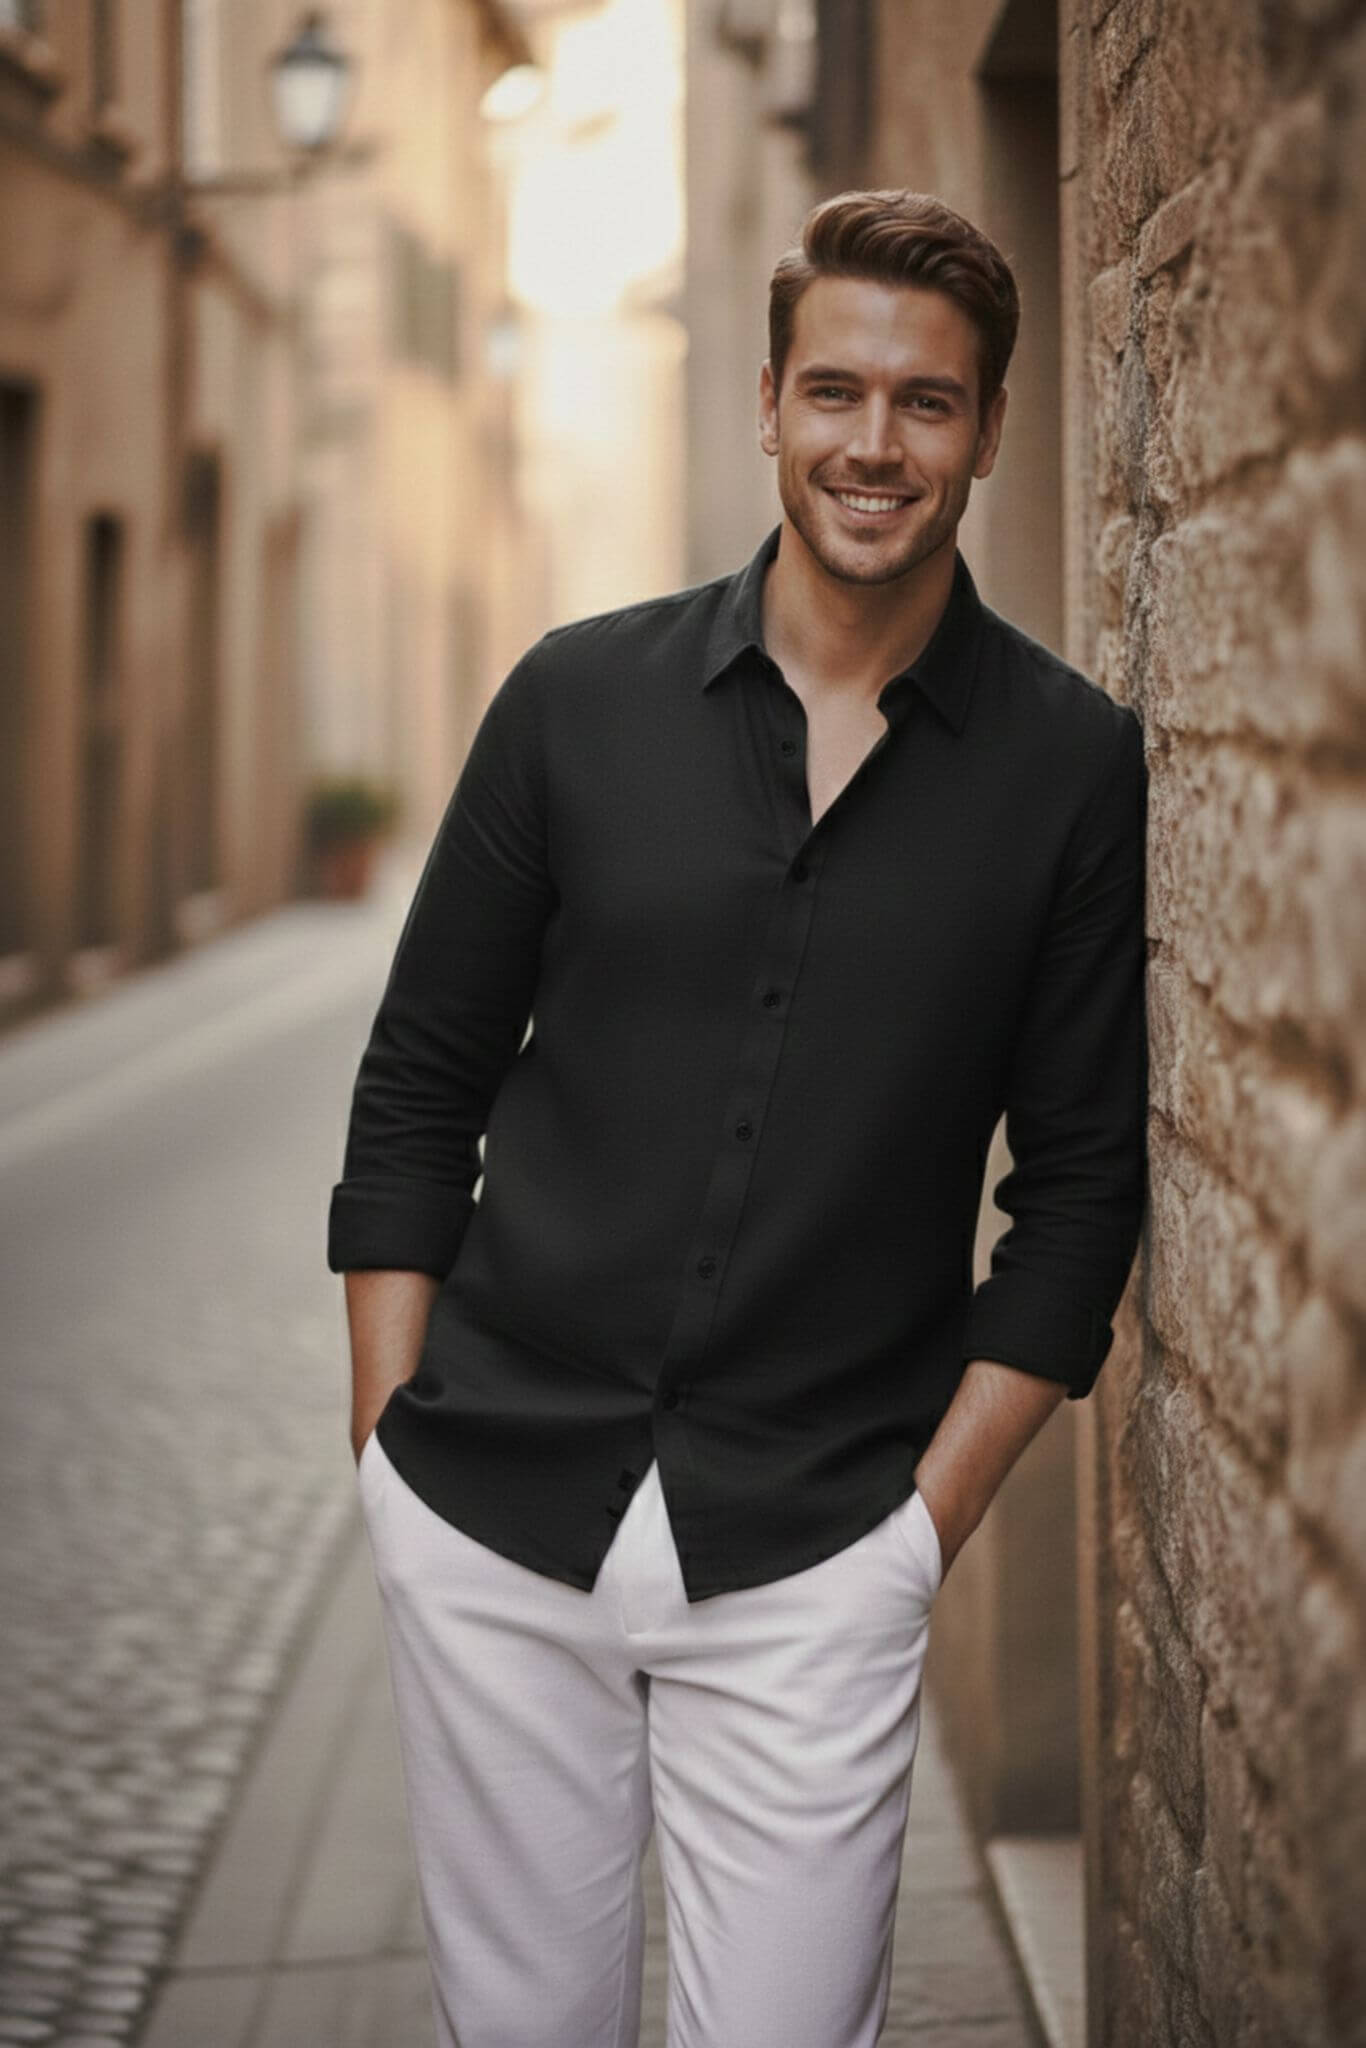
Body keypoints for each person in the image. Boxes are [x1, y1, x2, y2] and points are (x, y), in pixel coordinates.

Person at [327, 189, 1148, 2048]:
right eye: (836, 392)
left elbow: (1083, 1192)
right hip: (489, 1516)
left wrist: (917, 1541)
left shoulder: (1069, 765)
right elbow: (415, 1087)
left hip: (817, 1550)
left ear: (988, 430)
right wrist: (387, 1456)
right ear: (765, 406)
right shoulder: (571, 702)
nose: (876, 446)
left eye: (926, 404)